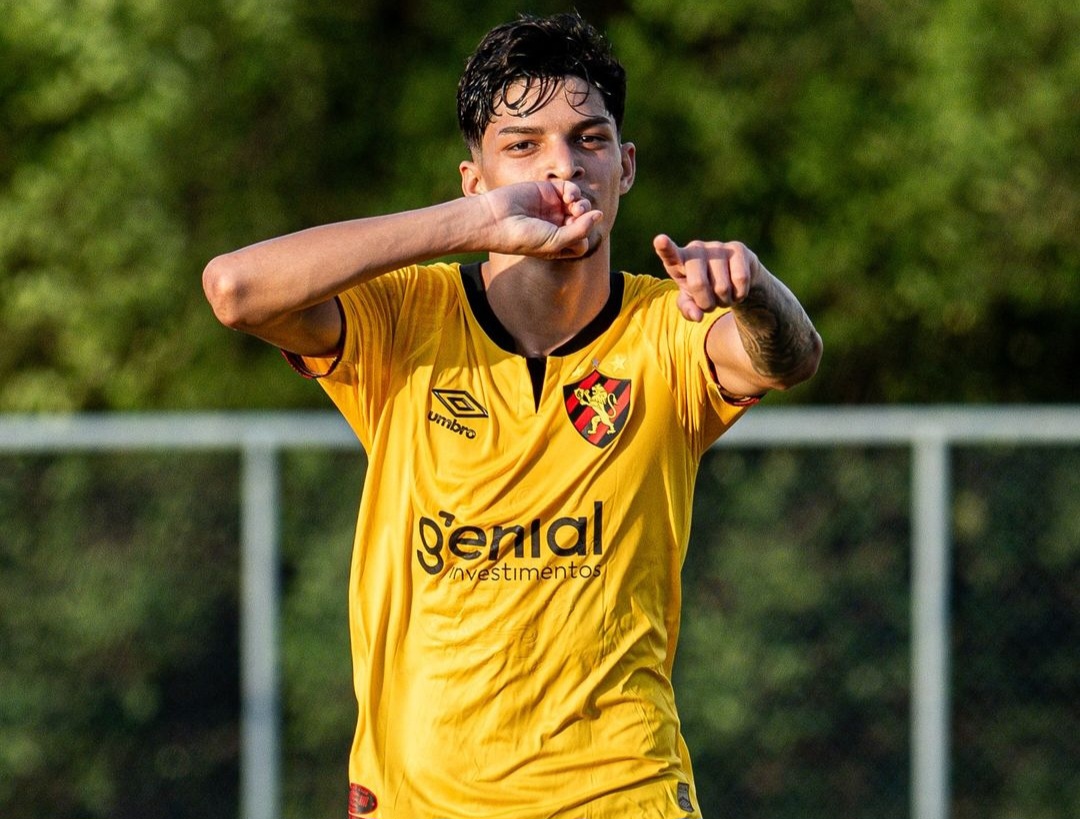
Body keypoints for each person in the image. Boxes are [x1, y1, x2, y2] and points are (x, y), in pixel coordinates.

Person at [203, 12, 821, 819]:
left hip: (621, 796)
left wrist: (756, 289)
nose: (562, 167)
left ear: (625, 166)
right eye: (523, 146)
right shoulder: (403, 322)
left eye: (589, 139)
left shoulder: (669, 330)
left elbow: (791, 355)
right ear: (476, 176)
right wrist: (478, 225)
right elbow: (234, 290)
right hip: (422, 802)